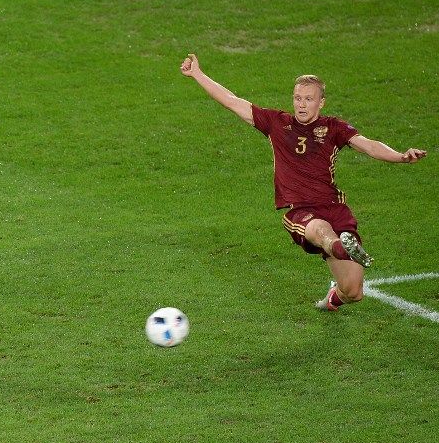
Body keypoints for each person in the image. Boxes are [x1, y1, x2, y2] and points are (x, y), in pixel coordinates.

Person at [180, 54, 426, 311]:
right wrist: (197, 74)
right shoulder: (277, 123)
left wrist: (400, 157)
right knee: (321, 231)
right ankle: (338, 246)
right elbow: (232, 101)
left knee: (353, 292)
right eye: (298, 98)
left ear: (321, 102)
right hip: (301, 213)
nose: (301, 104)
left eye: (309, 99)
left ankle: (333, 297)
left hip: (335, 208)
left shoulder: (333, 128)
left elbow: (369, 146)